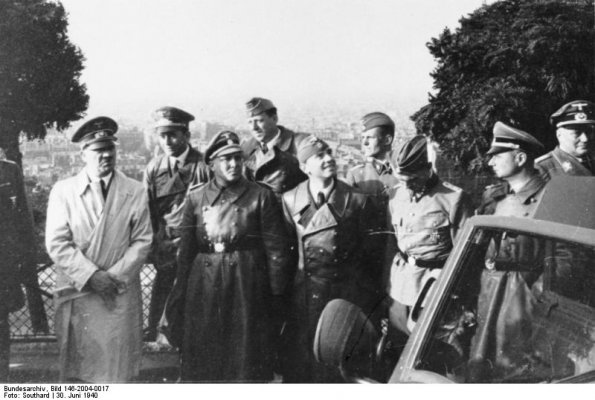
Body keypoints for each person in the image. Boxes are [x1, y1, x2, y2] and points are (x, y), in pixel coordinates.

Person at [165, 130, 292, 382]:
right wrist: (182, 289)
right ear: (212, 164)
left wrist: (276, 295)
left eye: (237, 158)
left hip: (247, 280)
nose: (234, 164)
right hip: (205, 281)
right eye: (226, 159)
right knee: (205, 346)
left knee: (245, 350)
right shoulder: (196, 197)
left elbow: (276, 250)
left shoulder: (261, 195)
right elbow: (186, 252)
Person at [45, 117, 152, 382]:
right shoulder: (63, 191)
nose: (105, 155)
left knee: (116, 369)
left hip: (118, 292)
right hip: (80, 291)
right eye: (97, 150)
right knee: (81, 369)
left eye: (110, 148)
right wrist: (93, 277)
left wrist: (112, 278)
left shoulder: (135, 191)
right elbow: (57, 242)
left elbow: (143, 240)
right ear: (83, 154)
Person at [281, 137, 381, 382]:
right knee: (304, 367)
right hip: (304, 297)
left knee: (337, 368)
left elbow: (372, 258)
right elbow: (286, 254)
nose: (329, 159)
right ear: (305, 167)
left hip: (342, 297)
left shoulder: (357, 200)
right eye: (319, 156)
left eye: (329, 153)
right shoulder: (290, 199)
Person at [469, 121, 547, 382]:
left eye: (497, 156)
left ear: (521, 157)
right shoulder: (493, 197)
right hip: (490, 289)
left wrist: (535, 296)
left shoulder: (548, 198)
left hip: (523, 295)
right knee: (480, 360)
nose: (491, 162)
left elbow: (561, 259)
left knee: (513, 367)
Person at [387, 135, 473, 336]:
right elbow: (390, 245)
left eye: (413, 179)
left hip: (433, 290)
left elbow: (465, 256)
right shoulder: (395, 196)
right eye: (402, 180)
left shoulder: (453, 199)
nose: (407, 186)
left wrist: (461, 298)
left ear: (427, 168)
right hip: (399, 288)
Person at [143, 106, 210, 342]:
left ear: (186, 135)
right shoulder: (154, 168)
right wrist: (156, 246)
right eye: (162, 135)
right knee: (163, 308)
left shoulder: (203, 166)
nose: (168, 141)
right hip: (166, 249)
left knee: (195, 310)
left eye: (173, 134)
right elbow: (149, 212)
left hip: (194, 249)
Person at [344, 112, 399, 312]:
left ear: (387, 140)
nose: (364, 143)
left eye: (370, 137)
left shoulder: (402, 174)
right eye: (362, 138)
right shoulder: (356, 175)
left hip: (397, 254)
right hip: (366, 259)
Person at [0, 156, 33, 381]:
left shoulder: (9, 170)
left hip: (4, 263)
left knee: (1, 325)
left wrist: (26, 256)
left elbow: (23, 216)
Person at [241, 97, 309, 197]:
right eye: (250, 122)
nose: (254, 128)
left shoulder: (299, 145)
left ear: (274, 119)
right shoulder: (245, 149)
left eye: (259, 121)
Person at [536, 100, 595, 177]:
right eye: (576, 133)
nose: (585, 139)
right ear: (559, 135)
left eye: (589, 131)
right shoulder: (543, 168)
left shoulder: (592, 159)